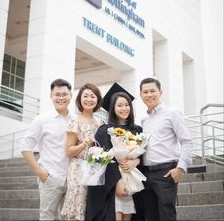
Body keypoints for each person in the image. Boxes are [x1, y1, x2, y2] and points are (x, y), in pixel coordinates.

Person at [133, 77, 192, 221]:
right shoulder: (143, 121)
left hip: (166, 173)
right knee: (150, 215)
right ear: (140, 95)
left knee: (167, 214)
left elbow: (186, 141)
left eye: (153, 91)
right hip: (146, 173)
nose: (149, 94)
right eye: (145, 92)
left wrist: (181, 168)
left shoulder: (172, 113)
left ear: (161, 92)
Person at [86, 82, 142, 221]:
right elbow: (103, 159)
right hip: (112, 185)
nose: (124, 108)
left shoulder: (137, 130)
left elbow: (144, 155)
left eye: (127, 105)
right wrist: (117, 182)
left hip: (133, 182)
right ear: (112, 108)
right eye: (119, 105)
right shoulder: (105, 130)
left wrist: (136, 160)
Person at [20, 78, 73, 220]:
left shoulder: (75, 120)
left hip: (72, 179)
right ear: (51, 96)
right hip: (51, 178)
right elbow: (25, 147)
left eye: (64, 94)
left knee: (70, 218)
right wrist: (41, 174)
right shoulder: (41, 120)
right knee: (47, 217)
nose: (61, 98)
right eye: (57, 94)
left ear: (70, 95)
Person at [61, 83, 102, 220]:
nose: (89, 99)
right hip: (78, 169)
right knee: (77, 206)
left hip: (95, 170)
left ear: (97, 100)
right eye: (85, 96)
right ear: (79, 99)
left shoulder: (100, 122)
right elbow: (69, 151)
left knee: (91, 208)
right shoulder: (75, 121)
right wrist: (84, 144)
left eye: (92, 96)